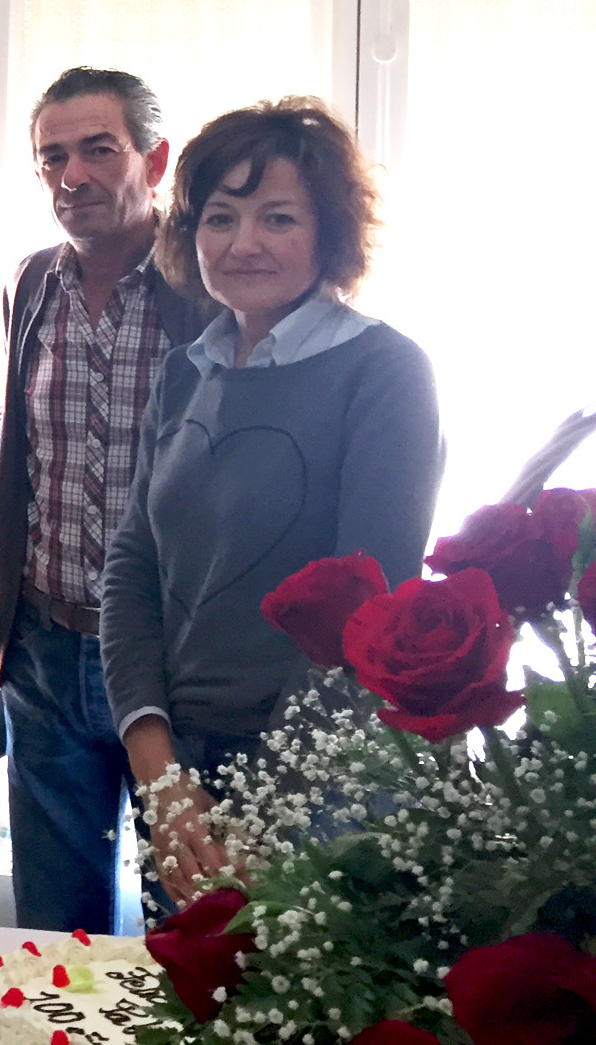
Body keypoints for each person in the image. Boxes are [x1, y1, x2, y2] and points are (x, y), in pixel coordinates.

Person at [100, 97, 442, 906]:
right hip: (181, 771)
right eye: (220, 218)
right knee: (178, 987)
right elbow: (132, 567)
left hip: (323, 777)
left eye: (278, 218)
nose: (243, 243)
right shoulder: (186, 372)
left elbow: (369, 608)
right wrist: (159, 771)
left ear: (330, 233)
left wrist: (266, 804)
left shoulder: (384, 372)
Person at [0, 67, 209, 936]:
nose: (72, 175)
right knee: (55, 932)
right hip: (46, 649)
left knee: (188, 925)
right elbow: (25, 421)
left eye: (99, 150)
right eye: (53, 157)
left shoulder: (210, 287)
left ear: (155, 158)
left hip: (174, 659)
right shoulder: (31, 283)